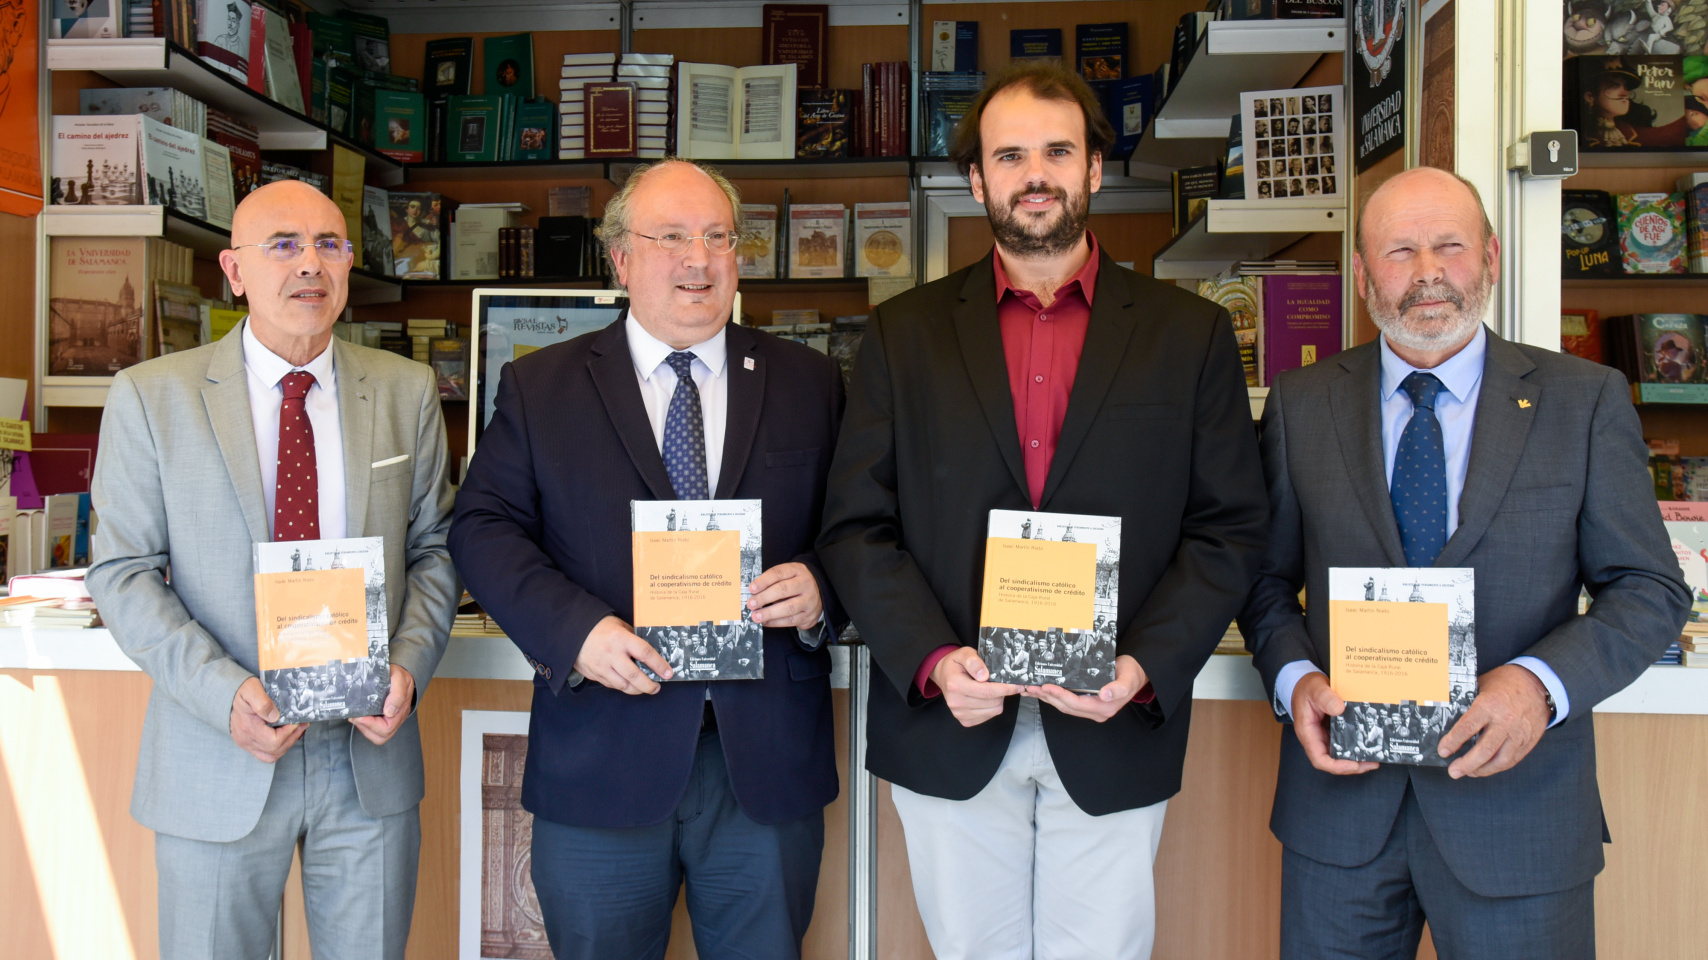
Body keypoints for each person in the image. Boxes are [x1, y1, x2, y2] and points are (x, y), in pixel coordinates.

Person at [817, 61, 1268, 960]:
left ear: (1095, 169)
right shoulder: (901, 335)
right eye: (1010, 154)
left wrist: (1143, 666)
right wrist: (937, 661)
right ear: (977, 179)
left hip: (1111, 718)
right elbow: (856, 526)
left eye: (1059, 150)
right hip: (951, 717)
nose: (1037, 173)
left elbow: (1228, 528)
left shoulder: (1190, 335)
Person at [1237, 166, 1690, 959]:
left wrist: (1537, 689)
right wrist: (1293, 680)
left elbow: (1649, 589)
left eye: (1449, 246)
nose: (1427, 273)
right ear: (1361, 272)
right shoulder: (1301, 404)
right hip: (1341, 812)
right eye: (1400, 250)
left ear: (1491, 256)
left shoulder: (1583, 399)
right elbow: (1263, 582)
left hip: (1519, 817)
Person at [448, 159, 847, 960]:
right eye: (670, 238)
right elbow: (481, 527)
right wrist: (575, 634)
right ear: (622, 258)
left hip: (761, 768)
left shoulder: (811, 382)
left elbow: (861, 524)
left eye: (716, 237)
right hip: (602, 755)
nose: (697, 260)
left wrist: (824, 586)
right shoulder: (541, 387)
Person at [85, 179, 459, 960]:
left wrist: (412, 667)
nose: (309, 266)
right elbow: (121, 573)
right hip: (218, 746)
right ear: (234, 270)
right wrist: (226, 695)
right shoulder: (153, 398)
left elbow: (438, 549)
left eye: (329, 244)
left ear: (351, 264)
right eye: (282, 246)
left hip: (368, 756)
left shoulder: (405, 390)